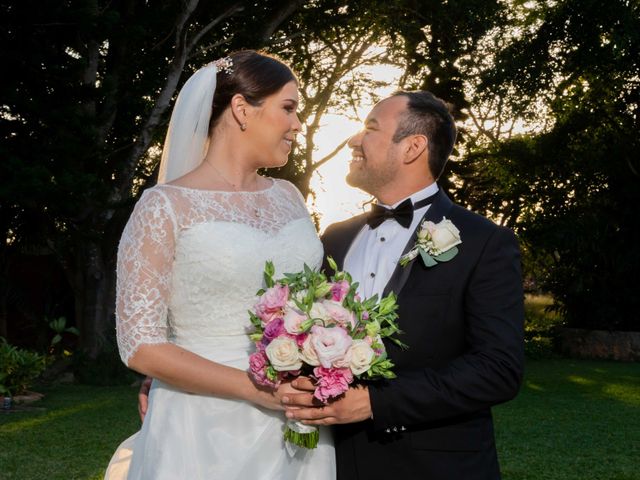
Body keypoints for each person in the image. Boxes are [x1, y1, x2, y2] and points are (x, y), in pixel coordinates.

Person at [104, 50, 335, 480]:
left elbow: (313, 304)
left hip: (297, 415)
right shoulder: (165, 207)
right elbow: (140, 345)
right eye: (288, 108)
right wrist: (258, 391)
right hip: (202, 424)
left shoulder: (289, 197)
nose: (297, 124)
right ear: (242, 109)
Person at [283, 91, 525, 479]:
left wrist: (376, 403)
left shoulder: (483, 242)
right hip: (335, 461)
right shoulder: (334, 238)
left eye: (371, 128)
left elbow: (498, 369)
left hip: (434, 465)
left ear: (413, 147)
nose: (353, 140)